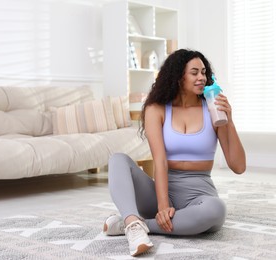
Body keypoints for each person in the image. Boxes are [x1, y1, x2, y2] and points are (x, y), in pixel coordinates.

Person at [103, 49, 246, 256]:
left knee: (216, 211)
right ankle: (133, 223)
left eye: (204, 72)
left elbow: (238, 166)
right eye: (194, 72)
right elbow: (159, 161)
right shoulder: (157, 108)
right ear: (179, 77)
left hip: (199, 195)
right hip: (162, 190)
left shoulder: (212, 108)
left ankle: (138, 224)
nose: (201, 78)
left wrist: (229, 120)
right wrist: (163, 206)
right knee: (118, 160)